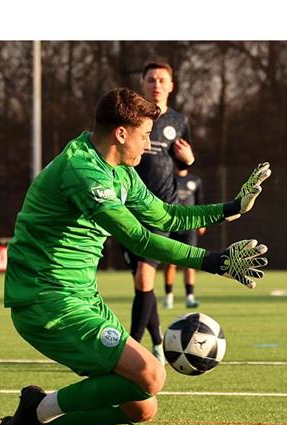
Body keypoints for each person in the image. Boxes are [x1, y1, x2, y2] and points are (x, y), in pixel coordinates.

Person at [0, 87, 271, 425]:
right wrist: (215, 262)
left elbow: (164, 216)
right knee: (151, 374)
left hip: (81, 297)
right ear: (121, 133)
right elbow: (140, 238)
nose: (150, 144)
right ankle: (36, 408)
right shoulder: (83, 171)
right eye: (145, 135)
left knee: (141, 405)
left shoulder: (120, 171)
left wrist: (231, 209)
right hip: (45, 301)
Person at [123, 60, 195, 363]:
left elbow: (183, 163)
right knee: (143, 284)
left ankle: (130, 351)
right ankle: (157, 341)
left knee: (143, 278)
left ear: (171, 85)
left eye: (162, 79)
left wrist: (188, 160)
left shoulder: (179, 121)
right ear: (142, 82)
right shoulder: (130, 117)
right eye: (151, 78)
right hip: (127, 207)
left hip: (160, 210)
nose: (156, 84)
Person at [163, 168, 207, 309]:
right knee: (171, 263)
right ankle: (169, 296)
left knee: (190, 263)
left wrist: (202, 222)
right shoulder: (168, 178)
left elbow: (199, 203)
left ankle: (190, 297)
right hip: (172, 225)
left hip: (190, 227)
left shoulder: (195, 180)